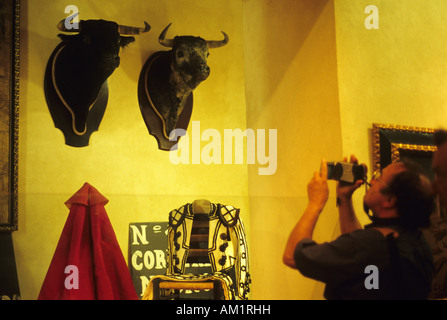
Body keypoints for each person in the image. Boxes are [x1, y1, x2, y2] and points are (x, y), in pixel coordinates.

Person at [283, 156, 435, 299]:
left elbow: (292, 256)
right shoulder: (418, 242)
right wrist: (344, 197)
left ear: (389, 200)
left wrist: (315, 203)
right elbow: (362, 258)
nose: (372, 181)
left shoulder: (369, 245)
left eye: (379, 178)